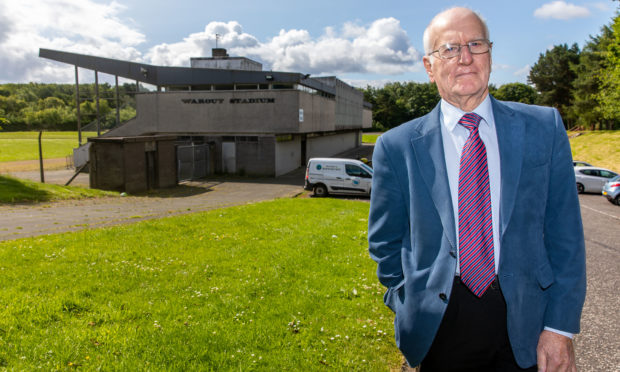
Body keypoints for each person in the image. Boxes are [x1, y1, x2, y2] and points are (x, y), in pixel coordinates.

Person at [368, 7, 586, 372]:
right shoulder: (397, 146)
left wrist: (559, 327)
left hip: (529, 323)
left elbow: (566, 237)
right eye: (449, 49)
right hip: (440, 325)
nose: (465, 57)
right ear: (428, 65)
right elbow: (385, 243)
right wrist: (409, 299)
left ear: (490, 53)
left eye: (476, 44)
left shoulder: (543, 127)